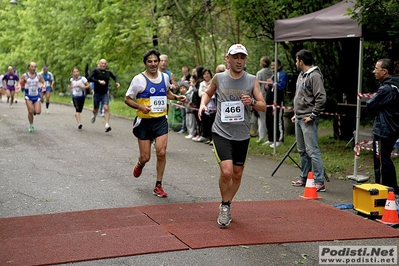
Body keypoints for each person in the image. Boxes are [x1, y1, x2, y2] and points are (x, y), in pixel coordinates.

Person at [198, 44, 266, 228]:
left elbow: (263, 105)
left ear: (245, 59)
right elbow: (207, 93)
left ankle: (226, 203)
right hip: (221, 132)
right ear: (227, 58)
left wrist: (251, 102)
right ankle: (225, 206)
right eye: (235, 57)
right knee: (226, 171)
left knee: (237, 174)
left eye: (242, 57)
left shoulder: (252, 80)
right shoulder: (219, 78)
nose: (239, 61)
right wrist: (203, 105)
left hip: (242, 134)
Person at [124, 49, 186, 198]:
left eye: (155, 61)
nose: (153, 64)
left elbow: (166, 93)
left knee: (162, 152)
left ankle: (158, 185)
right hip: (144, 122)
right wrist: (140, 107)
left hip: (160, 120)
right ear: (145, 63)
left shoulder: (165, 77)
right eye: (149, 61)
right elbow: (127, 98)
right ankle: (140, 163)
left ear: (159, 62)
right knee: (146, 157)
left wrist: (176, 97)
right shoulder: (138, 79)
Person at [291, 49, 326, 192]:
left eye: (296, 60)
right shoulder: (301, 75)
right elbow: (301, 96)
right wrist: (296, 113)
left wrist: (313, 115)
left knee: (312, 150)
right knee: (302, 150)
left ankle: (319, 181)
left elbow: (321, 97)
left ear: (301, 61)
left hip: (308, 119)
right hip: (299, 117)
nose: (295, 63)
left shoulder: (315, 76)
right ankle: (305, 177)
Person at [366, 58, 399, 195]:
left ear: (384, 71)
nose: (374, 71)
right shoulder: (395, 85)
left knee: (380, 161)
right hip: (393, 127)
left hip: (384, 129)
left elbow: (370, 104)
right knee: (386, 158)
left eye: (376, 69)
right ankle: (393, 189)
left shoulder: (386, 88)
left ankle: (381, 190)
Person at [88, 59, 120, 132]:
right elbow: (89, 78)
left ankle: (107, 125)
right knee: (95, 109)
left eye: (105, 64)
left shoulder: (108, 72)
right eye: (102, 63)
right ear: (99, 64)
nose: (103, 65)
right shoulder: (95, 71)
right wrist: (98, 81)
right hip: (97, 93)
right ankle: (94, 115)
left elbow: (114, 77)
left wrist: (117, 82)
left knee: (106, 108)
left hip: (104, 93)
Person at [265, 59, 288, 148]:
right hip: (269, 101)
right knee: (269, 119)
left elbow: (281, 86)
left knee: (278, 120)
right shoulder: (273, 75)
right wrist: (267, 86)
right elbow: (270, 87)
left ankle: (279, 139)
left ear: (279, 66)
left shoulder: (282, 74)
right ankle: (271, 138)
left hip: (278, 100)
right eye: (271, 66)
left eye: (274, 66)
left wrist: (272, 84)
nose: (272, 67)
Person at [19, 62, 46, 132]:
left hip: (36, 95)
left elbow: (44, 82)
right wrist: (19, 86)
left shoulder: (38, 75)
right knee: (30, 111)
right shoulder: (25, 76)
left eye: (34, 67)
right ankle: (31, 125)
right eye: (32, 67)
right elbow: (19, 82)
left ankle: (34, 110)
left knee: (38, 112)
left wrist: (44, 85)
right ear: (28, 67)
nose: (33, 68)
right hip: (28, 96)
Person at [255, 56, 273, 144]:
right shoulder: (272, 72)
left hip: (261, 96)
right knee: (269, 117)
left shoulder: (259, 73)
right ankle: (271, 135)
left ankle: (262, 136)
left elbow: (256, 86)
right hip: (270, 97)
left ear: (262, 63)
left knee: (261, 118)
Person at [196, 68, 215, 144]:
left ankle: (213, 139)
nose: (206, 75)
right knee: (206, 122)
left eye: (208, 73)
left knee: (212, 122)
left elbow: (213, 94)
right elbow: (200, 93)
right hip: (204, 105)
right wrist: (207, 94)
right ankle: (207, 137)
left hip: (213, 105)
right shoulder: (202, 84)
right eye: (204, 74)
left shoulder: (213, 82)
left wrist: (207, 93)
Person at [184, 74, 198, 139]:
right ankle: (189, 132)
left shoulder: (195, 87)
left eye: (192, 78)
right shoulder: (190, 87)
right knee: (188, 119)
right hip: (187, 104)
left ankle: (192, 132)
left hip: (192, 105)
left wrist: (190, 102)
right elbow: (187, 94)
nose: (190, 79)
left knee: (191, 120)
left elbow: (194, 95)